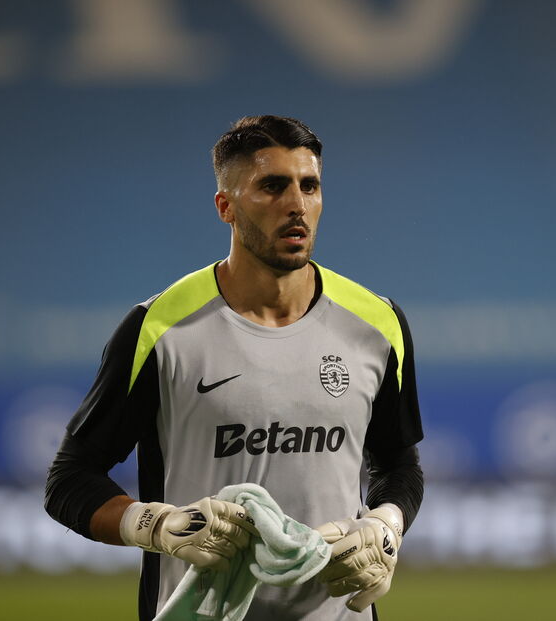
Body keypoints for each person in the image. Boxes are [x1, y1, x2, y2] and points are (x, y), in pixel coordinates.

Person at [45, 115, 424, 621]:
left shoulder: (378, 325)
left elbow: (400, 466)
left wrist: (385, 526)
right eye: (272, 187)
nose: (296, 205)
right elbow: (69, 481)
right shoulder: (159, 330)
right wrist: (156, 526)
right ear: (225, 205)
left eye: (309, 186)